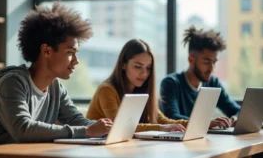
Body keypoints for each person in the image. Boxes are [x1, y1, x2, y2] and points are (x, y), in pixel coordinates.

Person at [0, 2, 112, 148]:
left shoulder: (56, 88)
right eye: (70, 53)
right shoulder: (12, 83)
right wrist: (88, 131)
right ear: (47, 51)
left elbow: (76, 120)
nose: (76, 61)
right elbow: (23, 129)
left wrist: (108, 130)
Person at [86, 39, 229, 132]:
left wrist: (206, 123)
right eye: (138, 66)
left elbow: (166, 121)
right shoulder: (107, 89)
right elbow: (121, 127)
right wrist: (161, 128)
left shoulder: (141, 90)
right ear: (123, 64)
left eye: (148, 68)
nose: (144, 73)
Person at [160, 26, 240, 126]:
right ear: (191, 60)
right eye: (207, 61)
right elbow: (171, 117)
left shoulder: (213, 83)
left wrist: (234, 118)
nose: (212, 68)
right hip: (177, 140)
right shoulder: (171, 83)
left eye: (214, 62)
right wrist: (208, 123)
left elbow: (237, 110)